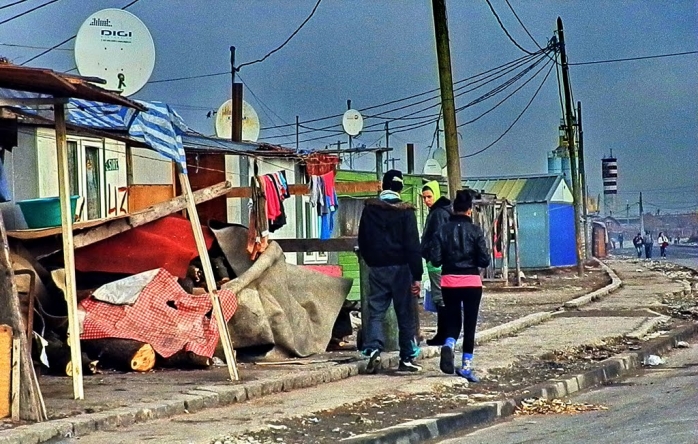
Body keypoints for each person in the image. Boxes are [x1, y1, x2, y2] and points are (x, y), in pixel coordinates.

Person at [358, 169, 424, 374]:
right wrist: (417, 275)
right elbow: (413, 245)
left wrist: (372, 261)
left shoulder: (370, 210)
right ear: (400, 187)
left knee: (376, 311)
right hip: (402, 269)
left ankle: (374, 350)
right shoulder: (406, 212)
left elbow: (363, 239)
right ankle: (406, 358)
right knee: (405, 314)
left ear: (383, 185)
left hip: (377, 268)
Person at [425, 190, 490, 382]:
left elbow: (435, 260)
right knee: (470, 324)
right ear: (469, 210)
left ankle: (449, 344)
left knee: (453, 321)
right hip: (471, 282)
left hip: (448, 282)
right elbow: (484, 260)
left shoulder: (442, 231)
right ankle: (467, 367)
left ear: (453, 209)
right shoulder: (476, 231)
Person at [419, 180, 452, 346]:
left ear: (436, 195)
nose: (426, 201)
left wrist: (434, 258)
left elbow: (439, 238)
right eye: (424, 197)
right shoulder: (442, 211)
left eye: (429, 197)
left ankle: (443, 335)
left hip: (437, 264)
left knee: (440, 299)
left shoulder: (438, 213)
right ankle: (445, 334)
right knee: (441, 298)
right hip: (440, 262)